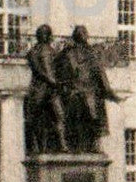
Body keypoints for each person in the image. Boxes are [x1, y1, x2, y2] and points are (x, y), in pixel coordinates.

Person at [54, 25, 120, 154]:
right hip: (90, 95)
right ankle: (95, 146)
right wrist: (111, 94)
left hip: (71, 95)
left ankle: (74, 147)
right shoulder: (92, 54)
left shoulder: (66, 54)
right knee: (97, 117)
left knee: (72, 124)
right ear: (86, 38)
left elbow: (57, 72)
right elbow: (101, 76)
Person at [24, 25, 66, 154]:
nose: (48, 37)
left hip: (52, 90)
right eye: (45, 34)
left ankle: (63, 145)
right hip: (39, 89)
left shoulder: (53, 51)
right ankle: (37, 147)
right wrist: (51, 80)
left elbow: (59, 68)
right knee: (36, 119)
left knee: (60, 115)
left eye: (48, 34)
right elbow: (38, 70)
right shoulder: (33, 52)